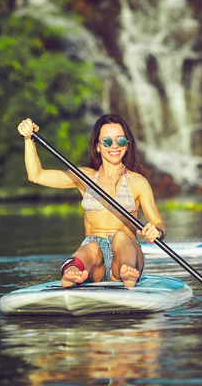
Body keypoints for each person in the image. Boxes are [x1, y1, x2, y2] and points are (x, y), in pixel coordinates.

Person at [17, 114, 166, 288]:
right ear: (97, 146)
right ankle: (73, 270)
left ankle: (127, 273)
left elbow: (158, 223)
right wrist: (29, 140)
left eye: (121, 141)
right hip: (95, 264)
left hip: (126, 254)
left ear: (128, 144)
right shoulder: (83, 177)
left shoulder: (138, 182)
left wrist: (157, 231)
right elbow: (37, 176)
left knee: (121, 238)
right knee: (92, 247)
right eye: (107, 142)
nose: (115, 146)